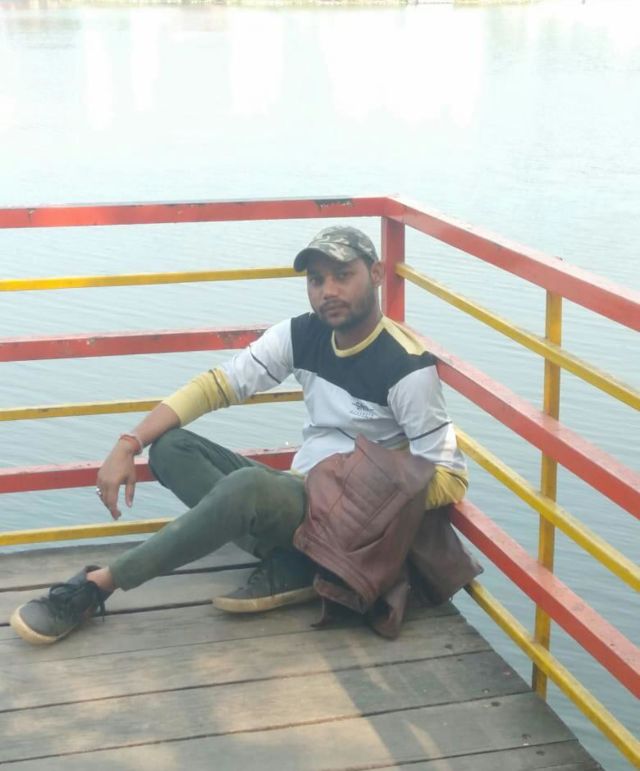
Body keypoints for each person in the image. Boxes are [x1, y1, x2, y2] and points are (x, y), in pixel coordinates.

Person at [10, 225, 469, 645]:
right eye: (316, 280)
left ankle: (100, 585)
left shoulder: (406, 368)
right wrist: (129, 443)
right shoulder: (302, 335)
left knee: (247, 488)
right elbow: (218, 385)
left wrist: (359, 498)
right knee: (171, 447)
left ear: (377, 275)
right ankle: (296, 561)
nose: (328, 291)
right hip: (303, 496)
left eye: (343, 276)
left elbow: (449, 476)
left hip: (352, 522)